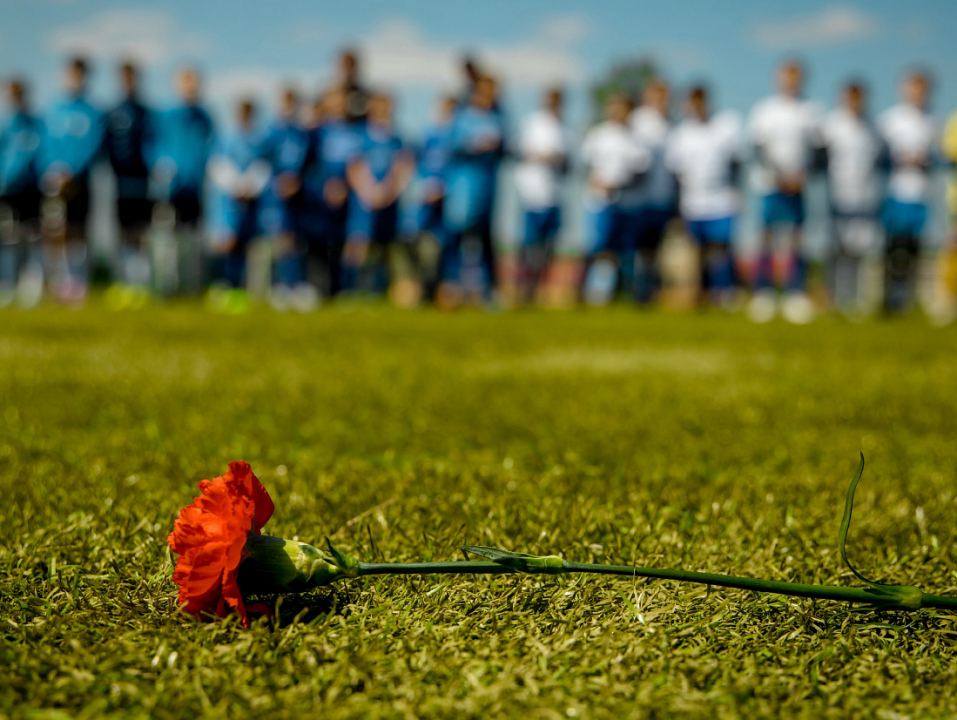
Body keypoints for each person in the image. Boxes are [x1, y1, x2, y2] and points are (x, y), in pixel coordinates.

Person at [746, 59, 823, 323]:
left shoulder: (811, 111)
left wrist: (802, 175)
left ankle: (795, 292)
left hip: (798, 186)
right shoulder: (764, 110)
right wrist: (779, 175)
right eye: (786, 76)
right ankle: (763, 292)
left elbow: (817, 151)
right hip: (770, 184)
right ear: (777, 78)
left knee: (796, 238)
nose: (791, 81)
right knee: (766, 237)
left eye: (796, 76)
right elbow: (758, 148)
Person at [665, 84, 742, 308]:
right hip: (693, 202)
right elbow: (675, 174)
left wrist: (736, 193)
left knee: (719, 248)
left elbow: (737, 164)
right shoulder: (680, 135)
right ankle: (701, 294)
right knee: (697, 251)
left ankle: (724, 292)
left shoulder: (725, 127)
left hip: (720, 200)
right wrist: (676, 207)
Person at [39, 57, 105, 305]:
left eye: (78, 75)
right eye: (69, 74)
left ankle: (77, 285)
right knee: (55, 233)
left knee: (78, 232)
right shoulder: (53, 110)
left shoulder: (94, 111)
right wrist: (52, 171)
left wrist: (72, 172)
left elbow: (93, 146)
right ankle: (57, 282)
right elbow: (45, 146)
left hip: (79, 182)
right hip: (52, 182)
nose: (73, 80)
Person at [439, 74, 506, 307]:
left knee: (485, 242)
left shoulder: (498, 118)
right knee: (455, 239)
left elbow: (506, 148)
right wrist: (474, 145)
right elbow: (451, 146)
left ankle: (487, 293)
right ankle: (450, 289)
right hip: (463, 189)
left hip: (487, 190)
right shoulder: (462, 117)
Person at [580, 92, 649, 306]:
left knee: (626, 251)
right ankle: (594, 292)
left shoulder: (636, 141)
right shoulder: (598, 135)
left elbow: (640, 175)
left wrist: (618, 185)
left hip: (627, 205)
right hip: (600, 203)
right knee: (600, 248)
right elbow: (585, 167)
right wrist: (597, 182)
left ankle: (627, 292)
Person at [877, 70, 938, 313]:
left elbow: (936, 157)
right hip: (895, 193)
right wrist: (899, 160)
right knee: (893, 249)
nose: (917, 94)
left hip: (921, 195)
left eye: (921, 89)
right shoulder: (890, 120)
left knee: (914, 249)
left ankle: (908, 301)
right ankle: (889, 299)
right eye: (913, 88)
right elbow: (879, 157)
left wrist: (923, 161)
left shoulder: (932, 121)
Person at [821, 81, 883, 317]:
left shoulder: (873, 129)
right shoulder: (832, 126)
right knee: (837, 250)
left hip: (865, 199)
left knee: (861, 251)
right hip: (837, 197)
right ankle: (836, 299)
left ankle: (859, 302)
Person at [343, 92, 415, 293]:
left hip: (389, 199)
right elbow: (355, 166)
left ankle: (377, 288)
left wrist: (388, 190)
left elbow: (403, 164)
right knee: (359, 242)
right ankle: (350, 288)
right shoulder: (361, 136)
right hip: (364, 201)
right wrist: (370, 191)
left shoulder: (396, 138)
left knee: (387, 244)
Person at [151, 67, 214, 295]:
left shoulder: (204, 117)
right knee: (167, 239)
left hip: (194, 188)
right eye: (186, 84)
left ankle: (190, 285)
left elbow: (210, 147)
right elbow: (153, 145)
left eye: (194, 85)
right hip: (169, 189)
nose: (190, 89)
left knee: (193, 238)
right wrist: (160, 164)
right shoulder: (166, 116)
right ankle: (166, 286)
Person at [206, 99, 269, 303]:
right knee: (226, 242)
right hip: (228, 201)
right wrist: (236, 185)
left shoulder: (259, 140)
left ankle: (240, 287)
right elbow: (217, 165)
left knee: (245, 244)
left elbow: (263, 166)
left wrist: (250, 186)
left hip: (250, 202)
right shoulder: (225, 138)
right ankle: (223, 284)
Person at [512, 87, 570, 304]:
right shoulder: (533, 124)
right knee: (528, 245)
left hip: (554, 195)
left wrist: (558, 160)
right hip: (532, 194)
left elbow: (568, 165)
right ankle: (523, 290)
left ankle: (536, 289)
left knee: (547, 246)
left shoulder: (564, 129)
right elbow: (520, 151)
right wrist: (544, 157)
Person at [259, 87, 315, 310]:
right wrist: (279, 182)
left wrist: (297, 182)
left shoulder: (302, 134)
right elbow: (263, 160)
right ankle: (282, 286)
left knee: (295, 241)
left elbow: (309, 163)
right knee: (282, 242)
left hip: (297, 198)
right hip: (276, 197)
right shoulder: (271, 132)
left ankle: (297, 286)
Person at [305, 86, 362, 297]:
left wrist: (345, 185)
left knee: (343, 245)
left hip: (348, 197)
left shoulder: (355, 132)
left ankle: (342, 289)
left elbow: (359, 163)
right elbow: (308, 166)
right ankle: (318, 288)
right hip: (319, 199)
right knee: (317, 244)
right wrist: (324, 185)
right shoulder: (314, 133)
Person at [627, 79, 679, 304]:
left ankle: (648, 289)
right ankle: (634, 289)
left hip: (662, 196)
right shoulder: (638, 120)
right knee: (637, 246)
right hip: (639, 197)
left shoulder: (669, 123)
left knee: (654, 248)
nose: (661, 100)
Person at [105, 62, 155, 293]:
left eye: (132, 78)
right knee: (123, 233)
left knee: (142, 233)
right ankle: (124, 282)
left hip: (144, 183)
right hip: (119, 183)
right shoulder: (112, 113)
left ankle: (141, 283)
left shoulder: (147, 114)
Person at [0, 79, 43, 308]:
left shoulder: (36, 124)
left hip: (31, 189)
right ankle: (7, 285)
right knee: (8, 238)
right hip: (7, 190)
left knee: (33, 236)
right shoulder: (5, 126)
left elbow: (43, 154)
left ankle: (31, 288)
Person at [338, 50, 370, 125]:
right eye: (345, 66)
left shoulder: (364, 95)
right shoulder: (329, 96)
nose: (348, 70)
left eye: (350, 66)